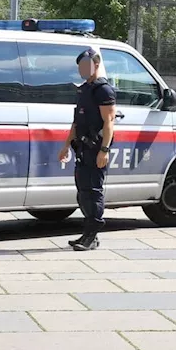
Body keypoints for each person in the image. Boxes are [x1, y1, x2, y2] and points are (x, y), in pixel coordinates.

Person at [61, 47, 117, 251]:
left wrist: (104, 150)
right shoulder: (84, 89)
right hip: (82, 149)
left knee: (93, 191)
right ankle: (87, 234)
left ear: (96, 65)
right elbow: (76, 122)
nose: (83, 70)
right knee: (83, 192)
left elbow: (109, 122)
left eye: (87, 65)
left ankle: (92, 235)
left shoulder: (103, 90)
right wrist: (66, 145)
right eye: (80, 67)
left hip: (96, 149)